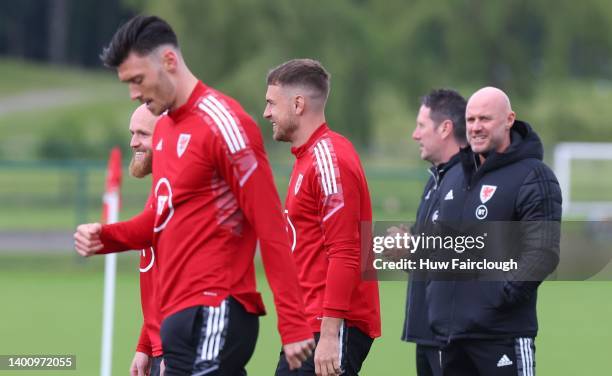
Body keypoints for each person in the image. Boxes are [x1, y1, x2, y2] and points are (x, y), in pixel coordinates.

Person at [74, 15, 314, 375]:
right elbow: (158, 221)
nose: (134, 94)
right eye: (128, 84)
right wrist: (105, 237)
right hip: (176, 319)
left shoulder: (224, 123)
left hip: (216, 308)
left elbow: (270, 224)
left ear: (169, 61)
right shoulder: (167, 130)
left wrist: (293, 323)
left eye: (138, 80)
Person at [427, 87, 562, 375]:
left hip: (502, 338)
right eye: (471, 119)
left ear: (509, 119)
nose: (475, 127)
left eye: (485, 119)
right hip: (450, 339)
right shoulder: (453, 176)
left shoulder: (534, 176)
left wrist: (497, 297)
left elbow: (542, 253)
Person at [263, 59, 381, 376]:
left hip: (328, 329)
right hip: (309, 326)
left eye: (271, 103)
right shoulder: (308, 158)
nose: (266, 113)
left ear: (298, 104)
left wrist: (330, 335)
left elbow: (345, 250)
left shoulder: (329, 158)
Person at [75, 104, 164, 376]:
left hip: (181, 347)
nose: (132, 142)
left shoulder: (181, 189)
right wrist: (146, 345)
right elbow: (160, 283)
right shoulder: (159, 188)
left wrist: (102, 235)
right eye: (132, 133)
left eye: (142, 134)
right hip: (163, 348)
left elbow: (147, 229)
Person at [400, 89, 467, 376]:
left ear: (445, 129)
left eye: (421, 126)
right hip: (426, 333)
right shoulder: (436, 179)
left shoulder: (467, 178)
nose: (415, 135)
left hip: (449, 335)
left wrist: (411, 248)